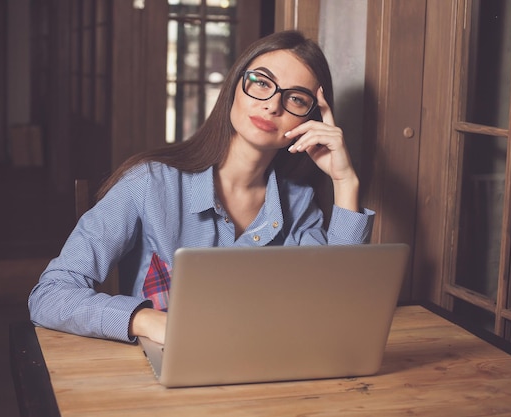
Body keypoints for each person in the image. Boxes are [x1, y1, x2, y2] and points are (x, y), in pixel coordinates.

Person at [29, 30, 375, 344]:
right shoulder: (148, 183)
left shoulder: (299, 204)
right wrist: (146, 320)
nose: (271, 105)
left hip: (264, 374)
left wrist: (345, 182)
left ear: (311, 119)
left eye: (296, 99)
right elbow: (50, 294)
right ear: (234, 86)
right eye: (260, 82)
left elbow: (338, 311)